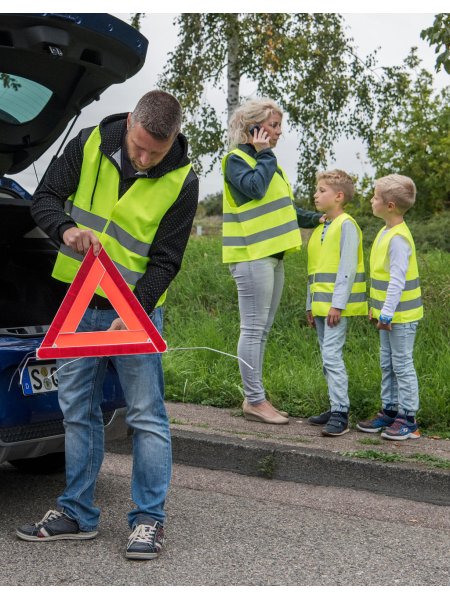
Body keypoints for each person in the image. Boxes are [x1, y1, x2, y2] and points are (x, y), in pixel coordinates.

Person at [16, 90, 199, 559]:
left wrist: (133, 309)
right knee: (76, 409)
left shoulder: (182, 180)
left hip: (130, 312)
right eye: (139, 147)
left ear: (173, 139)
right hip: (78, 303)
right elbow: (45, 200)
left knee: (146, 416)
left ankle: (148, 521)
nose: (143, 159)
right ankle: (77, 511)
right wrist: (65, 230)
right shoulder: (88, 143)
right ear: (130, 125)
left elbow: (166, 260)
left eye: (155, 153)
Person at [222, 98, 323, 425]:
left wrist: (317, 218)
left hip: (273, 257)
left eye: (279, 126)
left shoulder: (270, 163)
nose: (279, 132)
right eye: (274, 125)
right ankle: (254, 401)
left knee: (262, 331)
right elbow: (253, 189)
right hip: (252, 256)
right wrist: (264, 153)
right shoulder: (236, 161)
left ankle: (257, 397)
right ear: (254, 128)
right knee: (252, 330)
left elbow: (285, 210)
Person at [357, 174, 423, 440]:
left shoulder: (398, 238)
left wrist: (386, 313)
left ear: (390, 205)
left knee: (402, 365)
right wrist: (377, 309)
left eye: (375, 197)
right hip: (387, 315)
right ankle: (389, 411)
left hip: (400, 317)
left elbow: (396, 281)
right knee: (388, 364)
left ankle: (409, 419)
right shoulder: (386, 231)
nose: (371, 201)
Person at [306, 170, 367, 436]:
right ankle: (334, 405)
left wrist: (338, 304)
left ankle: (341, 412)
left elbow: (347, 268)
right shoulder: (323, 227)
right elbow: (315, 270)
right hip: (320, 306)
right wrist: (310, 304)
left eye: (321, 190)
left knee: (332, 356)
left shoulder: (347, 225)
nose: (315, 195)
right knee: (325, 357)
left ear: (338, 196)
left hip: (334, 308)